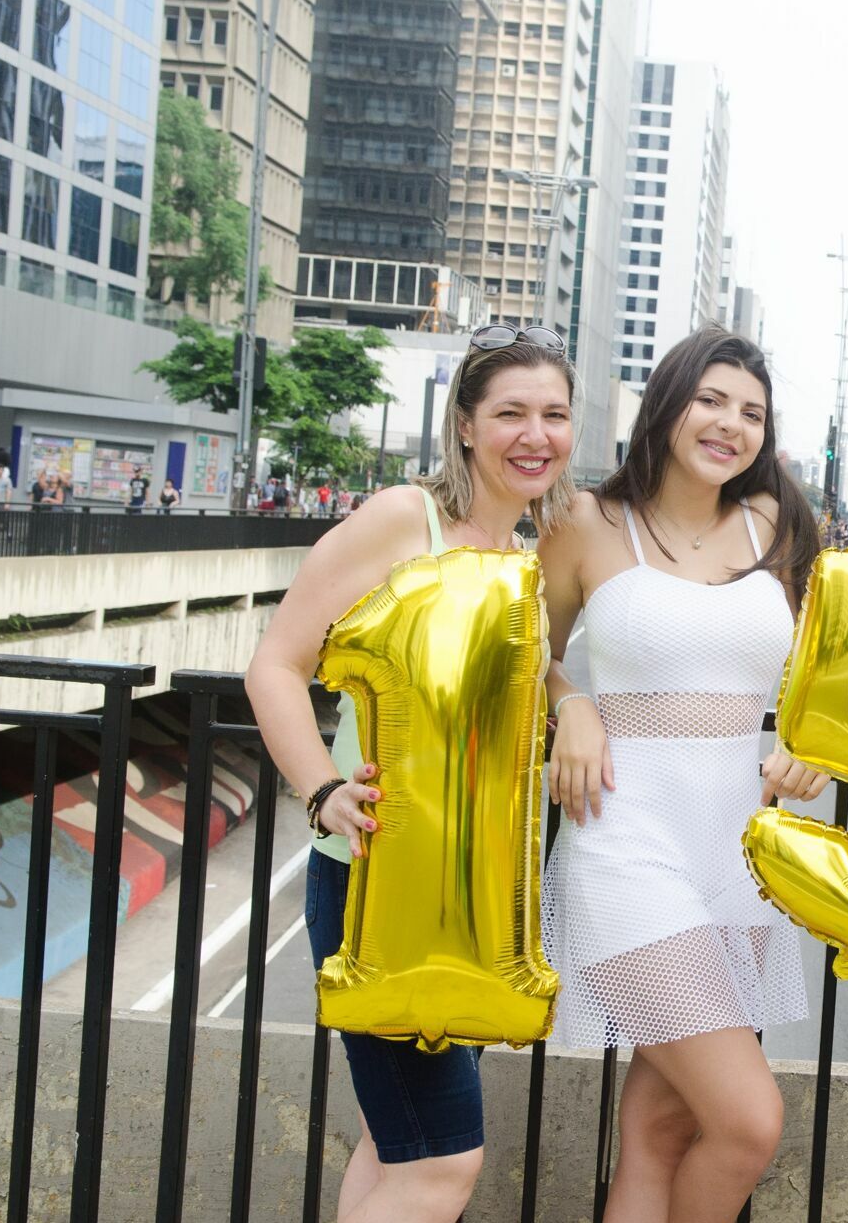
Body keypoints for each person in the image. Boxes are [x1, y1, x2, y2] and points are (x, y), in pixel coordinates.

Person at [247, 323, 577, 1222]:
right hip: (376, 894)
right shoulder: (406, 519)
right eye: (510, 412)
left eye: (554, 414)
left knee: (394, 1152)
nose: (534, 434)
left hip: (462, 912)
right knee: (443, 1164)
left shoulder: (521, 552)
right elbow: (275, 664)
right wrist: (321, 791)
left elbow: (515, 677)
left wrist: (571, 698)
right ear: (465, 425)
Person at [537, 326, 823, 1222]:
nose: (730, 425)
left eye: (752, 413)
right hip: (625, 839)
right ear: (666, 404)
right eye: (711, 400)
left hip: (738, 853)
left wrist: (812, 742)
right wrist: (570, 702)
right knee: (747, 1121)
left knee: (661, 1133)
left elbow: (828, 674)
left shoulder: (778, 524)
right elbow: (517, 657)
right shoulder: (585, 522)